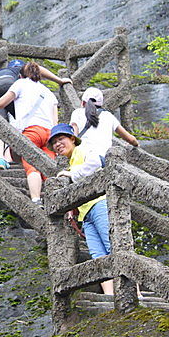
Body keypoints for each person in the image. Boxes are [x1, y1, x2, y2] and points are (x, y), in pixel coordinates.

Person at [48, 123, 113, 294]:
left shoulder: (83, 150)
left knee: (113, 246)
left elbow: (96, 162)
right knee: (98, 256)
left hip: (99, 205)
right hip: (86, 215)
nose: (57, 144)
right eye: (54, 142)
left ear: (72, 138)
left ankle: (135, 293)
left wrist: (72, 174)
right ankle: (110, 295)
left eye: (61, 139)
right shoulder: (71, 161)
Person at [0, 61, 58, 203]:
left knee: (32, 168)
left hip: (31, 132)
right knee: (50, 169)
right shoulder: (49, 93)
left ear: (20, 75)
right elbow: (55, 121)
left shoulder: (20, 84)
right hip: (49, 134)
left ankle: (37, 201)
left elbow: (0, 104)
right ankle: (57, 202)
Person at [69, 87, 139, 161]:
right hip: (103, 159)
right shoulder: (109, 116)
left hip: (82, 157)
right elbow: (130, 139)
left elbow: (74, 135)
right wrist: (136, 144)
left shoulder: (77, 113)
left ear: (83, 103)